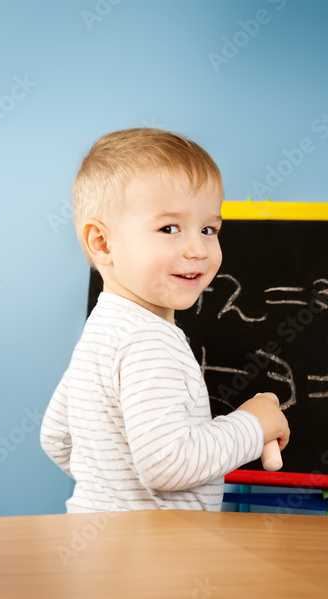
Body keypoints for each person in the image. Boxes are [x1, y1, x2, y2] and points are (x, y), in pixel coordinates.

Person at [40, 128, 289, 513]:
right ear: (102, 243)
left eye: (209, 229)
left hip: (99, 544)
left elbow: (56, 436)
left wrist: (112, 488)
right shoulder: (150, 340)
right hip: (150, 560)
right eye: (169, 228)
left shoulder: (102, 329)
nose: (197, 248)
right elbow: (168, 464)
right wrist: (253, 426)